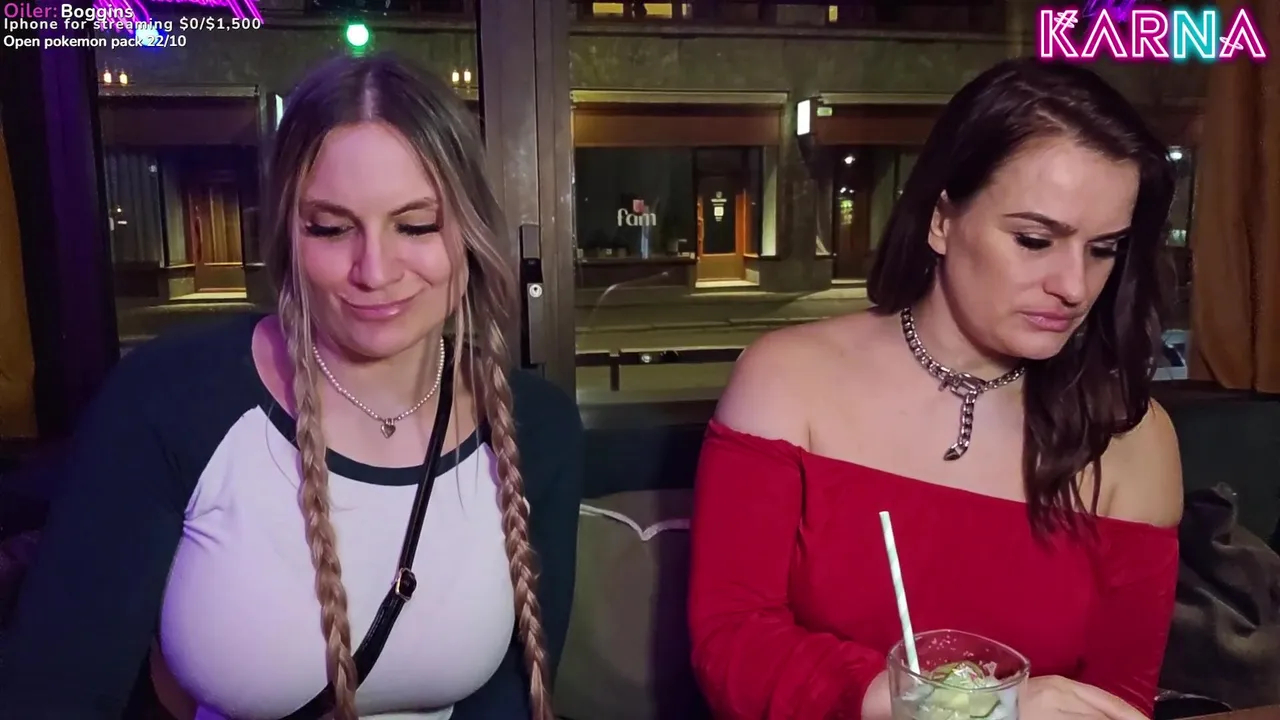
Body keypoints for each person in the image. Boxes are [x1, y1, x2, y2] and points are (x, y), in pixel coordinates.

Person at [0, 53, 582, 720]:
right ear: (286, 234)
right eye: (331, 228)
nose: (374, 270)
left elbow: (510, 700)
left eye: (416, 225)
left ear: (471, 232)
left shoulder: (536, 426)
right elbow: (57, 692)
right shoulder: (167, 400)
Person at [688, 58, 1182, 720]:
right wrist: (963, 706)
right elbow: (732, 642)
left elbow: (1119, 702)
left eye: (1103, 249)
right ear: (943, 220)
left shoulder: (1132, 438)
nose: (1073, 286)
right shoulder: (787, 379)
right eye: (1035, 240)